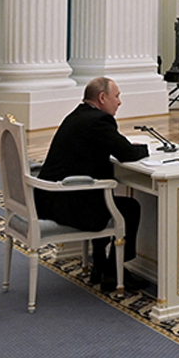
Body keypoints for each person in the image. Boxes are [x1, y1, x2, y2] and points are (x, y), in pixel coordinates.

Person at [35, 78, 150, 289]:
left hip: (49, 198)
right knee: (128, 208)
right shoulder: (99, 121)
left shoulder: (78, 115)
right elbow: (127, 153)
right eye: (117, 96)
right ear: (102, 97)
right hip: (66, 203)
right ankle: (114, 270)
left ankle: (100, 264)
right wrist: (145, 148)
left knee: (104, 199)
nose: (119, 102)